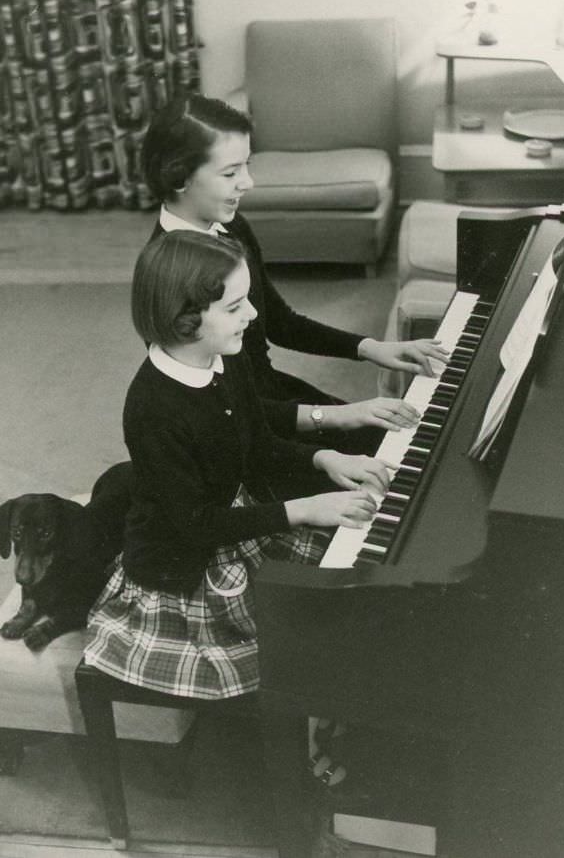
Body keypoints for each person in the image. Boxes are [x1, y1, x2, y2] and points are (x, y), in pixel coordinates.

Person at [84, 229, 393, 787]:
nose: (253, 314)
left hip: (232, 521)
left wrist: (325, 458)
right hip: (185, 566)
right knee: (302, 647)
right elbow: (193, 525)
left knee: (352, 585)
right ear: (186, 318)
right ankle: (305, 750)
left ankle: (338, 714)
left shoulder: (223, 359)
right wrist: (303, 510)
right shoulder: (152, 407)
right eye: (235, 305)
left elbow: (258, 446)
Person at [141, 93, 448, 452]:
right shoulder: (169, 276)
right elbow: (221, 413)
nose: (248, 183)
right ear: (180, 177)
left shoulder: (230, 226)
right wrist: (335, 416)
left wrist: (371, 348)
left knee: (408, 436)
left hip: (273, 399)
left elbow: (281, 322)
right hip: (240, 441)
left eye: (247, 165)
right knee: (392, 454)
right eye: (230, 173)